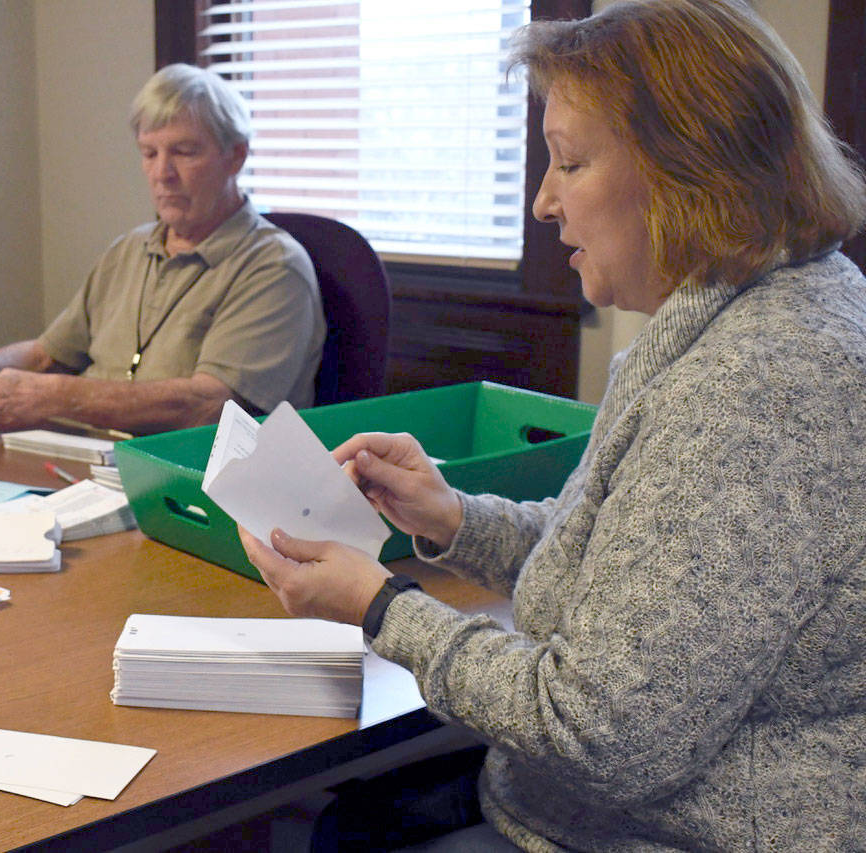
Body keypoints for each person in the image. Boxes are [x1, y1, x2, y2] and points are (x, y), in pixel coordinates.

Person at [239, 1, 866, 849]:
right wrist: (450, 516)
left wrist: (382, 607)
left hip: (654, 829)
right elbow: (615, 565)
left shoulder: (759, 385)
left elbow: (602, 731)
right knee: (343, 821)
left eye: (569, 162)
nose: (542, 200)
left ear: (691, 170)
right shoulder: (731, 316)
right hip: (578, 803)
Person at [0, 64, 324, 437]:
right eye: (149, 153)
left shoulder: (274, 267)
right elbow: (46, 355)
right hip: (79, 461)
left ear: (236, 157)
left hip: (186, 485)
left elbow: (210, 406)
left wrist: (53, 397)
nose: (162, 173)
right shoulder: (131, 249)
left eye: (184, 152)